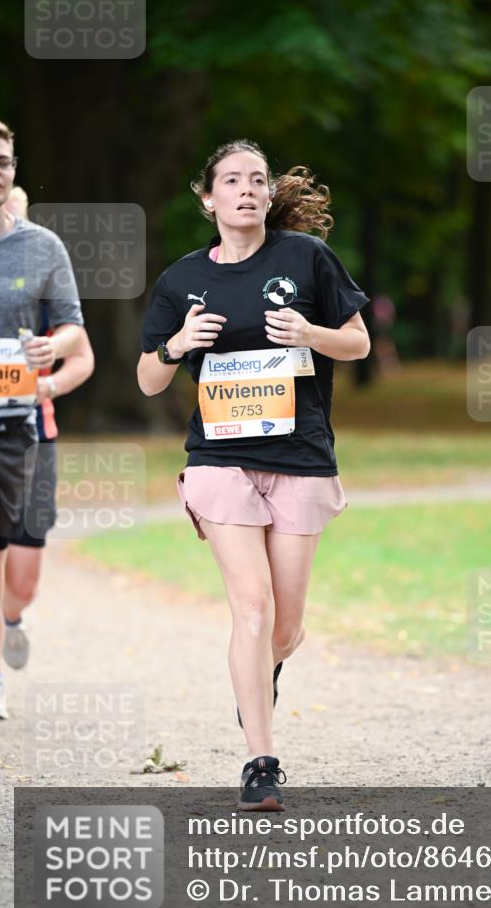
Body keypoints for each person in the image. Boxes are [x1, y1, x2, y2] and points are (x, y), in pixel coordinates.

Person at [138, 139, 370, 810]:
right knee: (252, 604)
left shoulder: (306, 259)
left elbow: (356, 342)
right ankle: (260, 762)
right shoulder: (182, 280)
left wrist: (309, 333)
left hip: (299, 457)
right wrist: (176, 345)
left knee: (284, 628)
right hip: (219, 459)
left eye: (258, 180)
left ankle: (258, 680)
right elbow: (149, 381)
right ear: (207, 198)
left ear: (270, 196)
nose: (246, 189)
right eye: (231, 180)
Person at [0, 119, 84, 719]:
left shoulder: (42, 247)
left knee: (20, 577)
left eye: (1, 160)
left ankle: (13, 618)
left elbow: (77, 333)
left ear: (12, 169)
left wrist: (52, 354)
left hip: (23, 428)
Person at [1, 177, 95, 670]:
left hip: (35, 435)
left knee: (22, 584)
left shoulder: (43, 280)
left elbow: (82, 357)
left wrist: (46, 386)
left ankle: (10, 619)